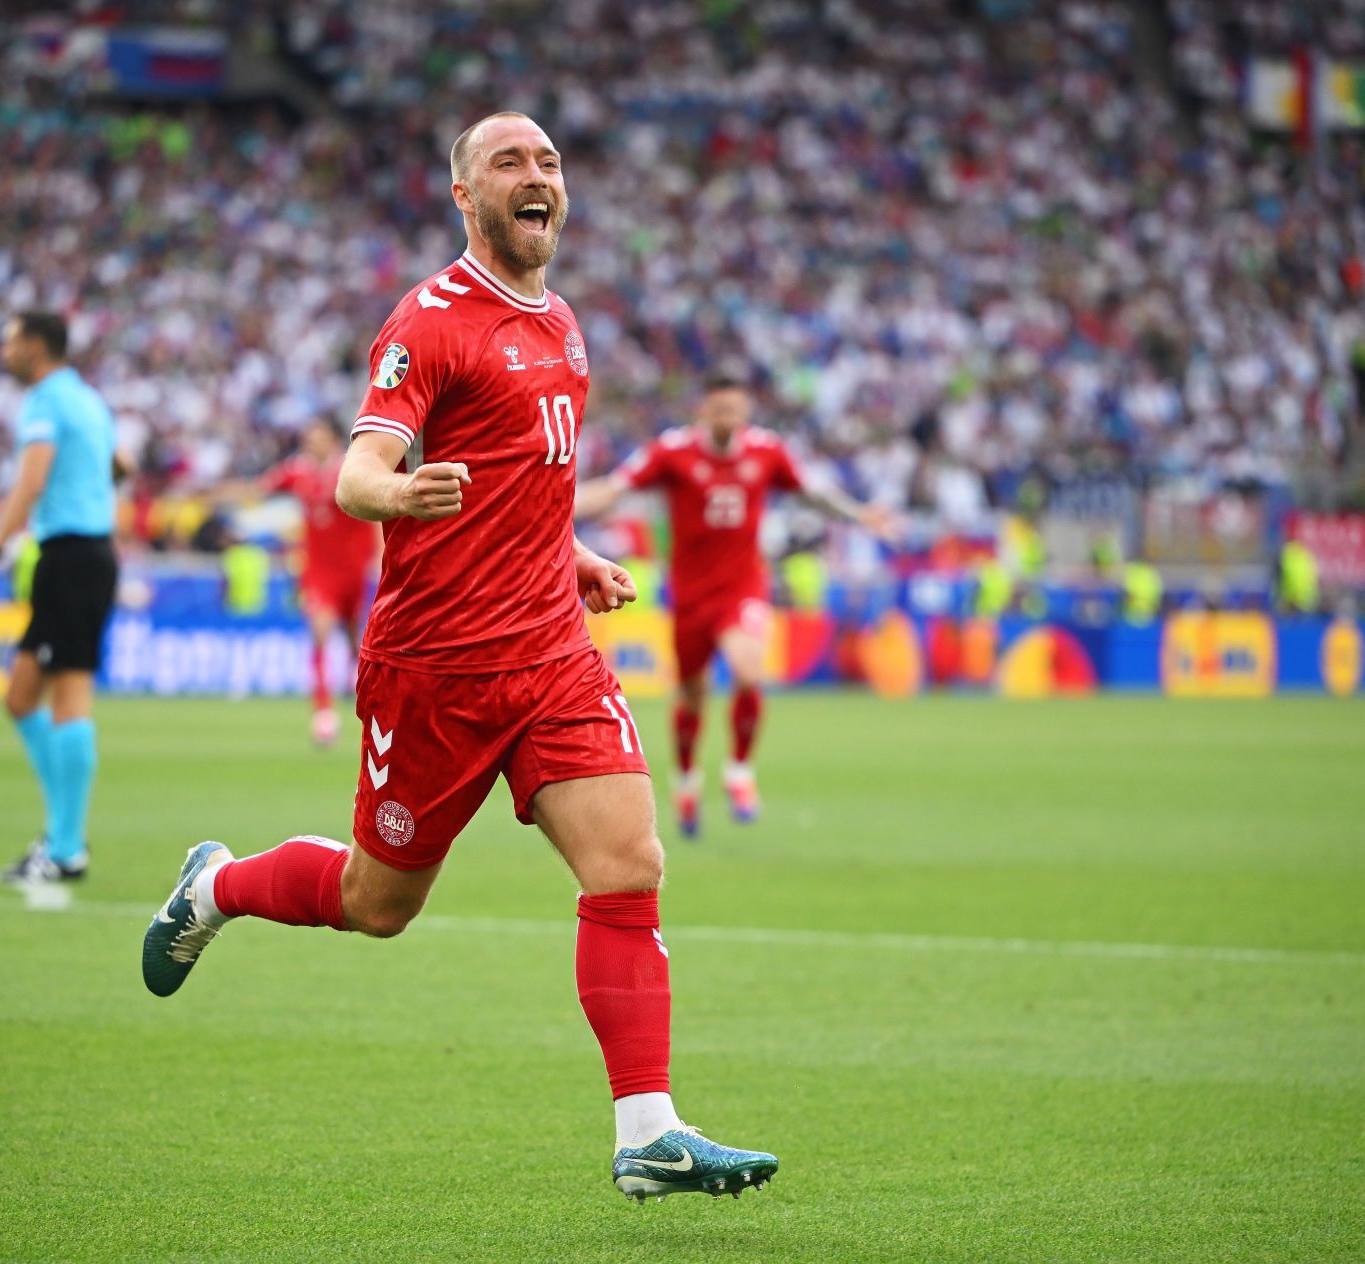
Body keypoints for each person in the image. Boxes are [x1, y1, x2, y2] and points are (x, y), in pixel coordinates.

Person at [141, 112, 777, 1203]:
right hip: (434, 668)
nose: (537, 177)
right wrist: (405, 491)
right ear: (466, 198)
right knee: (378, 901)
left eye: (550, 162)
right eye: (509, 164)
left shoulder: (566, 325)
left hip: (551, 653)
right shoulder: (428, 321)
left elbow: (528, 476)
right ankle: (219, 886)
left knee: (629, 865)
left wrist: (567, 552)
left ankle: (648, 1129)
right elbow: (360, 473)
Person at [576, 372, 894, 837]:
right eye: (721, 410)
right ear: (703, 410)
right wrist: (561, 507)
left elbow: (812, 492)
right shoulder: (672, 451)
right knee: (692, 694)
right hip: (689, 594)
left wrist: (860, 513)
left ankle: (739, 771)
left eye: (737, 411)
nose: (729, 419)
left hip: (743, 586)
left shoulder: (766, 451)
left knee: (749, 671)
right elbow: (615, 488)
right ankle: (687, 780)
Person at [0, 312, 119, 884]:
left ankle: (65, 849)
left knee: (68, 696)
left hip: (72, 557)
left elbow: (30, 482)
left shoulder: (44, 401)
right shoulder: (87, 399)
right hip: (80, 555)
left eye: (9, 339)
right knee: (19, 697)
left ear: (35, 347)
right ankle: (61, 837)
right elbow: (118, 464)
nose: (3, 349)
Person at [225, 419, 381, 746]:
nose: (311, 443)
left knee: (357, 642)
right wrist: (221, 495)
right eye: (308, 438)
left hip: (353, 572)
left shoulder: (352, 470)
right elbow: (259, 489)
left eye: (318, 437)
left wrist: (380, 557)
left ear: (335, 440)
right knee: (320, 633)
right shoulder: (298, 472)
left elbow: (377, 515)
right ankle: (323, 713)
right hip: (318, 573)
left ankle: (364, 700)